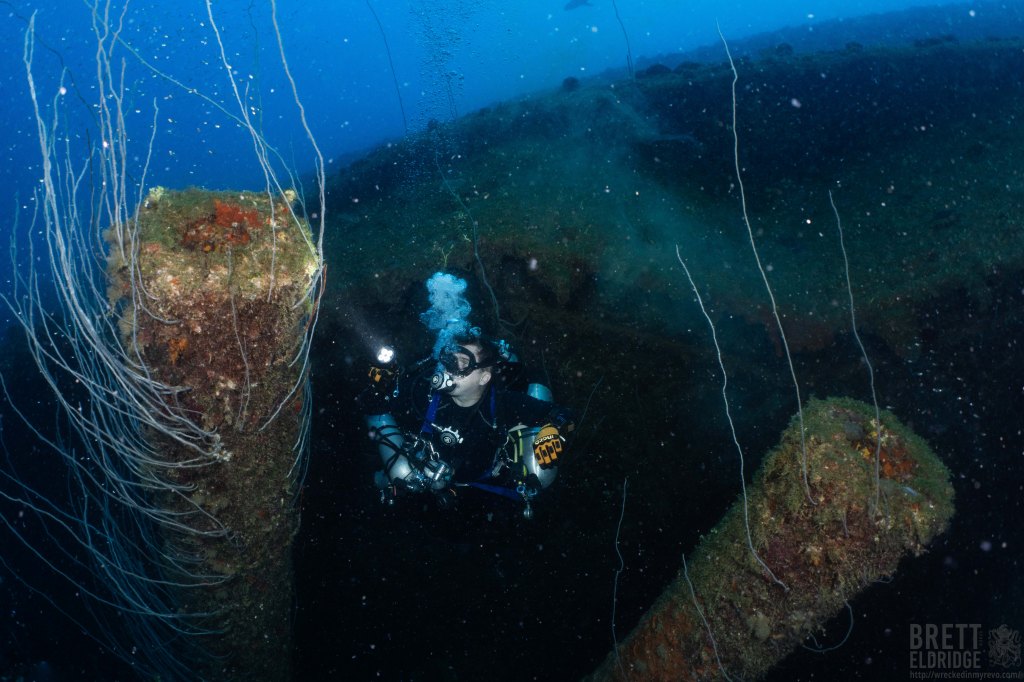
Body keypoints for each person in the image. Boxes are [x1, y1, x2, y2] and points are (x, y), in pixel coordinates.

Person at [360, 332, 574, 518]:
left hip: (484, 491)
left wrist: (552, 429)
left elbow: (565, 415)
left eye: (463, 362)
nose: (450, 367)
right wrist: (379, 386)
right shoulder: (425, 393)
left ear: (484, 378)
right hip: (424, 489)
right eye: (450, 359)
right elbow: (372, 405)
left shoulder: (504, 404)